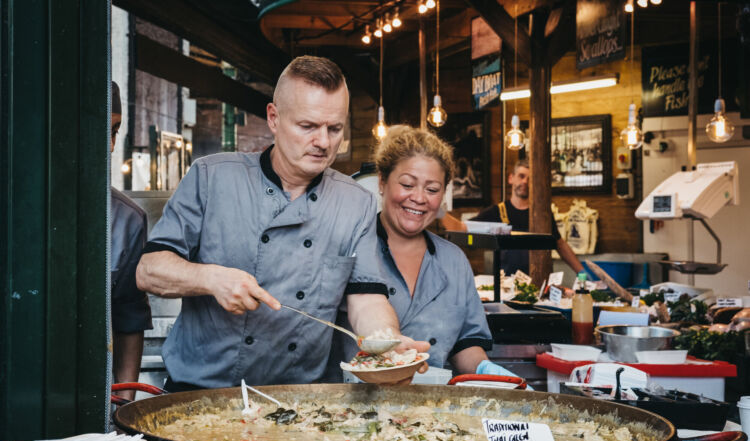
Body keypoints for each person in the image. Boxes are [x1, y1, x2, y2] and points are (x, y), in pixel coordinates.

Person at [136, 56, 428, 391]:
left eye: (335, 129)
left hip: (301, 401)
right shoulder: (211, 176)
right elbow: (149, 270)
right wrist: (211, 278)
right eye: (308, 126)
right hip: (202, 394)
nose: (323, 142)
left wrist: (387, 342)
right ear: (273, 118)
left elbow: (366, 298)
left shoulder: (356, 203)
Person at [328, 125, 519, 379]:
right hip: (354, 405)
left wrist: (488, 373)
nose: (419, 198)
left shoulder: (454, 261)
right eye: (407, 184)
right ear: (383, 182)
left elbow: (465, 343)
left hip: (430, 407)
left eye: (432, 189)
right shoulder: (349, 247)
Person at [441, 160, 584, 277]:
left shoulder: (542, 214)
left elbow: (559, 244)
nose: (525, 182)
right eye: (521, 176)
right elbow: (459, 228)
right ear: (511, 178)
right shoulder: (497, 212)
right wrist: (438, 212)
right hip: (507, 287)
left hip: (540, 286)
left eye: (530, 178)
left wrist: (583, 274)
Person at [110, 82, 152, 401]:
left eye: (115, 131)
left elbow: (129, 318)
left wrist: (123, 406)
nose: (110, 146)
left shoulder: (128, 220)